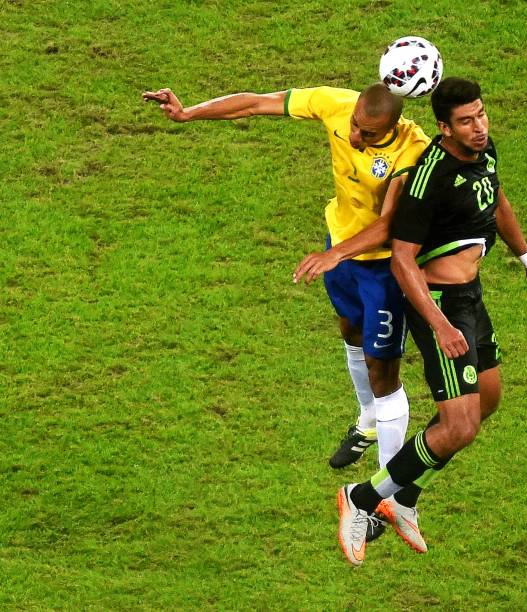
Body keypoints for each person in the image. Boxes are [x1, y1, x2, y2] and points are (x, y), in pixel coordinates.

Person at [142, 84, 430, 538]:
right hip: (341, 250)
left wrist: (336, 255)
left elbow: (390, 225)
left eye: (368, 134)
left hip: (384, 269)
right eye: (354, 125)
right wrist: (188, 114)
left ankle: (386, 495)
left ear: (392, 127)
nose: (354, 137)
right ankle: (368, 422)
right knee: (349, 331)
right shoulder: (336, 104)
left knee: (385, 371)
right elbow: (257, 102)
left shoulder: (415, 153)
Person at [336, 77, 527, 566]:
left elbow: (496, 199)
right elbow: (402, 260)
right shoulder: (428, 178)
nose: (478, 127)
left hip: (469, 298)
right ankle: (362, 499)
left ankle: (405, 498)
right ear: (444, 127)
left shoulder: (483, 151)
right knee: (459, 426)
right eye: (466, 121)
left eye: (481, 115)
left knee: (487, 404)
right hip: (437, 302)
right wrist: (438, 324)